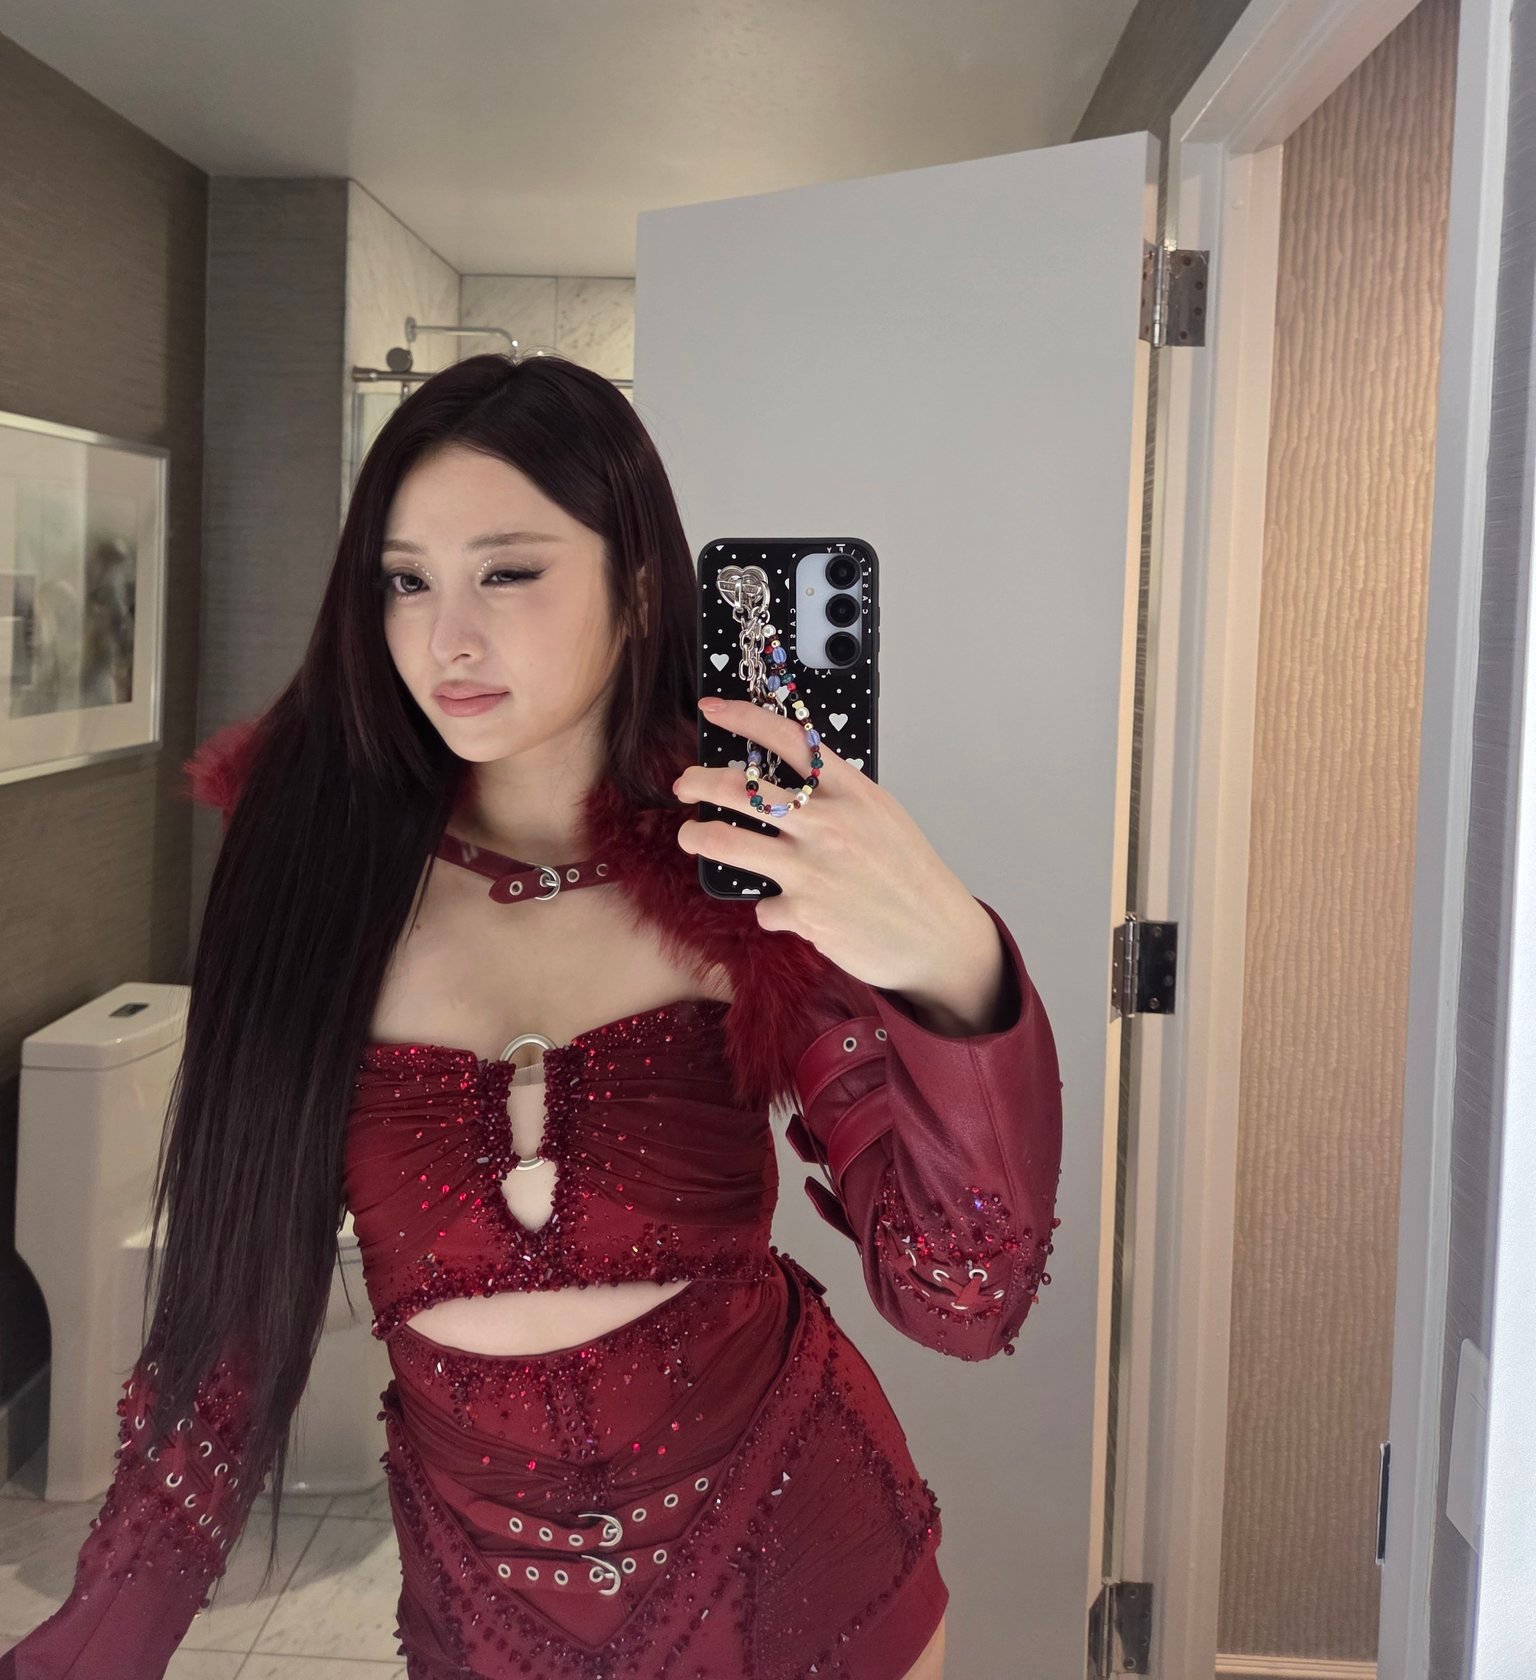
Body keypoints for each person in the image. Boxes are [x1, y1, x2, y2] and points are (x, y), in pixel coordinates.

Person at [2, 353, 1063, 1680]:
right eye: (405, 580)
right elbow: (228, 1332)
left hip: (805, 1575)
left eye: (506, 572)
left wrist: (956, 963)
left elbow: (964, 1296)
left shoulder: (755, 869)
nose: (446, 638)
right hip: (484, 1619)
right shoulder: (312, 876)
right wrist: (93, 1649)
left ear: (638, 586)